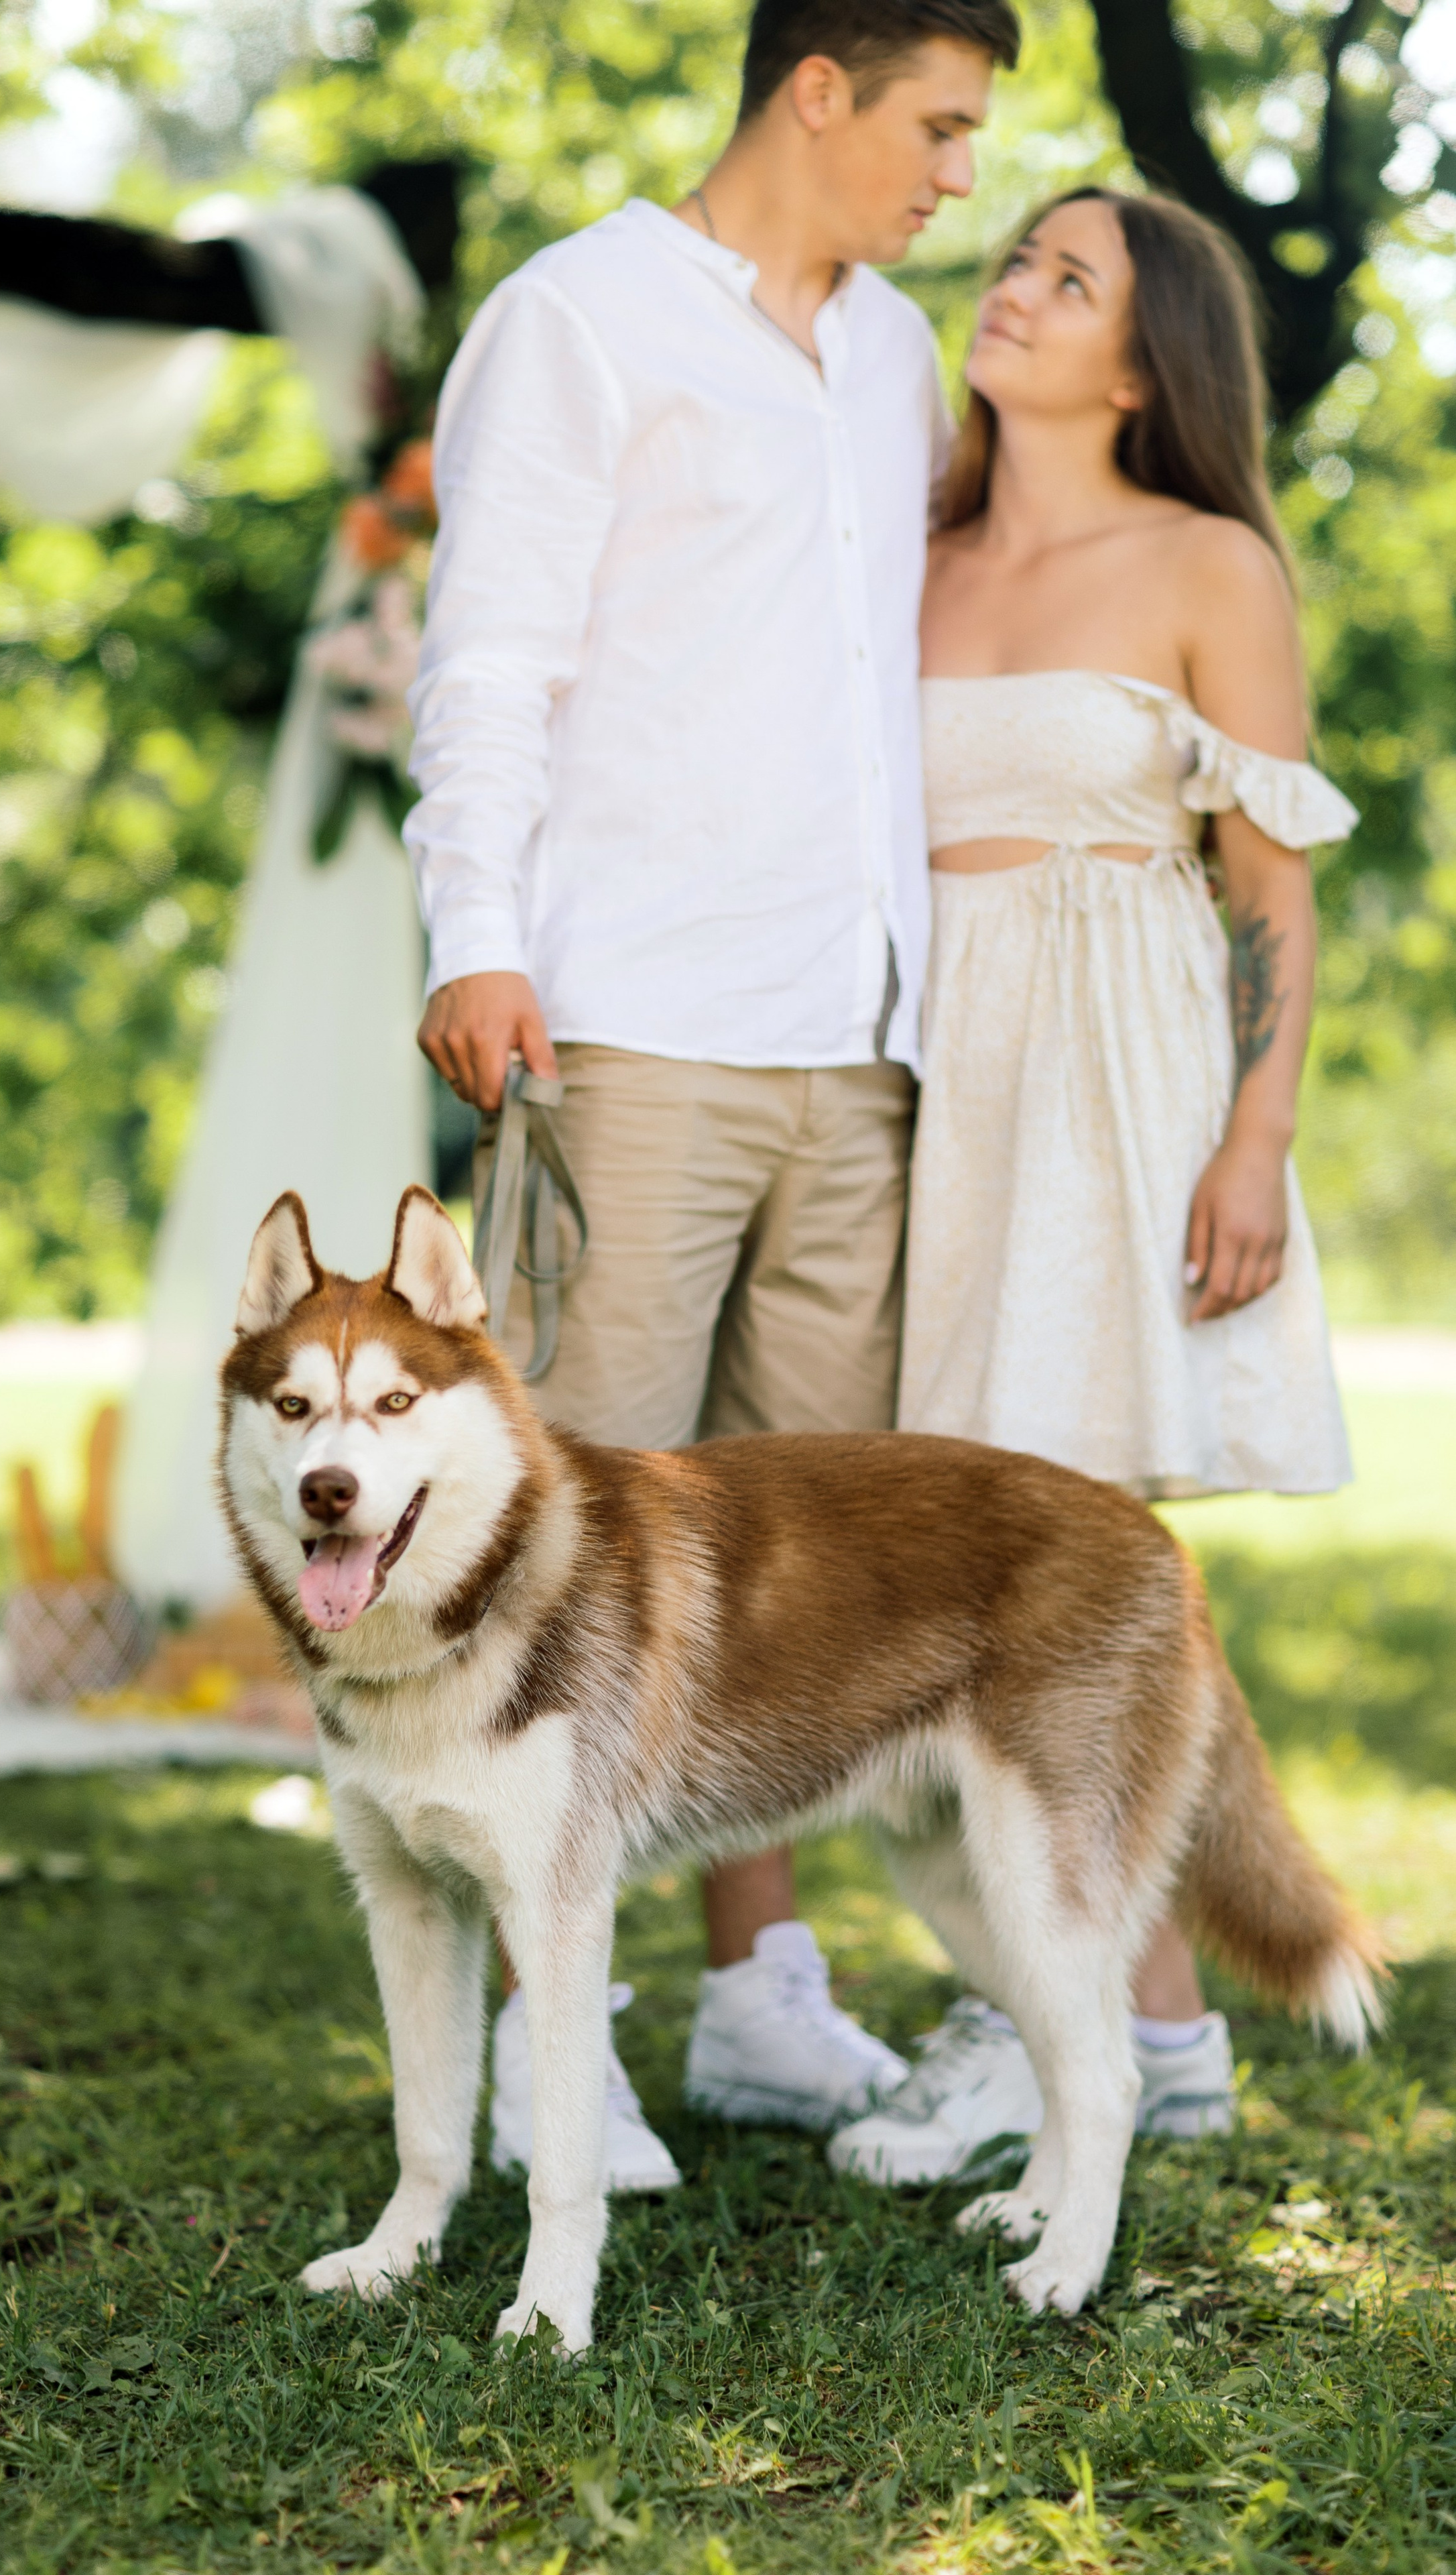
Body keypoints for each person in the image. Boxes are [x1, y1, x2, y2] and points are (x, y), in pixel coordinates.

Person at [408, 0, 1024, 2189]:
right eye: (940, 125)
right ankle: (538, 2045)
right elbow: (492, 653)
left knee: (791, 1573)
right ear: (817, 88)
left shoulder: (895, 359)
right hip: (632, 1017)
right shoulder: (579, 318)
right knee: (568, 1558)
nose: (961, 177)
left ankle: (762, 1999)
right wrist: (474, 930)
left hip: (859, 1037)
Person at [827, 187, 1357, 2194]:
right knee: (945, 1565)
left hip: (1113, 1081)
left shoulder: (1208, 562)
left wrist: (1258, 1138)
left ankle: (1065, 2019)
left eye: (1072, 281)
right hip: (918, 1068)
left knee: (1037, 1557)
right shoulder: (912, 545)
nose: (1016, 292)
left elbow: (1272, 888)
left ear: (1145, 369)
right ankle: (1154, 2025)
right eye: (1017, 259)